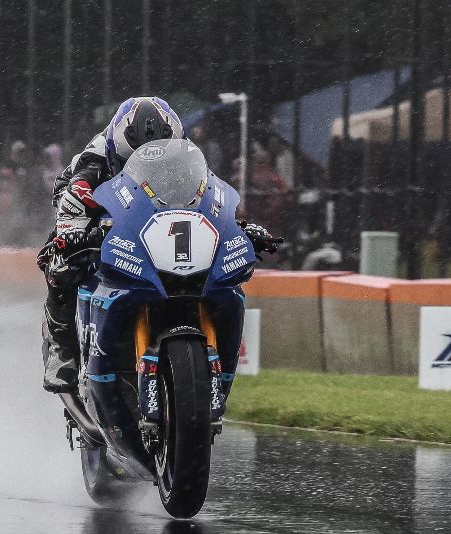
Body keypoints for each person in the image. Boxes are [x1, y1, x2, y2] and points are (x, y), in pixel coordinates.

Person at [37, 96, 282, 392]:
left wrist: (239, 228)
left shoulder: (187, 155)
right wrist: (72, 235)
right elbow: (70, 212)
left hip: (158, 215)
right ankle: (60, 349)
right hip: (85, 208)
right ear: (120, 151)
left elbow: (209, 201)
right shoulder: (93, 163)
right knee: (61, 263)